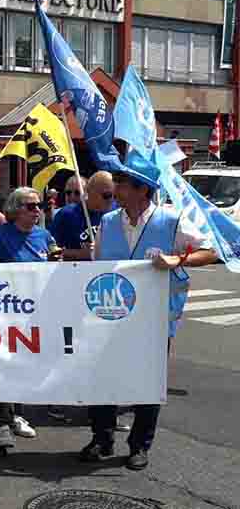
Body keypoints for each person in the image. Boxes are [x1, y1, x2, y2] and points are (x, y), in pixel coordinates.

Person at [81, 151, 216, 471]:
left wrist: (177, 260)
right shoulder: (108, 221)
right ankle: (102, 438)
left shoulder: (171, 220)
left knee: (148, 382)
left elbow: (210, 251)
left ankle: (139, 445)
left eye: (122, 183)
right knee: (102, 379)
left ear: (142, 189)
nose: (115, 187)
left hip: (155, 319)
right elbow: (97, 266)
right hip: (110, 315)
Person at [0, 187, 62, 450]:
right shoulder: (1, 235)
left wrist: (57, 259)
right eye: (31, 205)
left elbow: (54, 261)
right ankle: (1, 422)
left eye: (39, 205)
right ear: (16, 209)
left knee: (24, 364)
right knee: (4, 366)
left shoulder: (44, 235)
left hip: (35, 314)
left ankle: (16, 413)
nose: (37, 210)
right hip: (7, 313)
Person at [50, 172, 114, 261]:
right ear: (90, 192)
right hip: (74, 272)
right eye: (107, 195)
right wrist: (81, 253)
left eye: (114, 195)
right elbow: (51, 251)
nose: (111, 200)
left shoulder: (113, 215)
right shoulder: (67, 214)